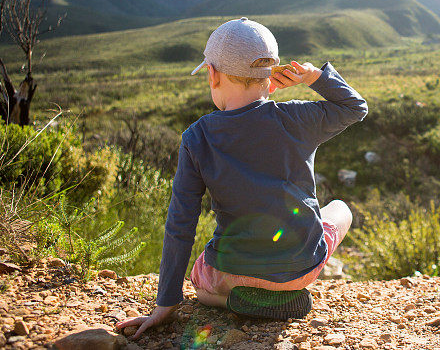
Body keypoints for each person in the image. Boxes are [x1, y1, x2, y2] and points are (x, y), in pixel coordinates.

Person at [116, 17, 367, 340]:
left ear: (212, 74)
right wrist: (314, 76)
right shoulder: (297, 118)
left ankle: (228, 300)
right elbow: (355, 107)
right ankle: (280, 294)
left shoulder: (197, 137)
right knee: (340, 209)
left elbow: (181, 224)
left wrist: (165, 304)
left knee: (199, 275)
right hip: (299, 268)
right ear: (272, 76)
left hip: (230, 272)